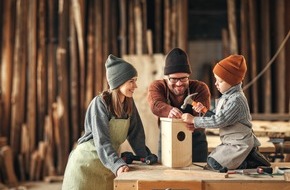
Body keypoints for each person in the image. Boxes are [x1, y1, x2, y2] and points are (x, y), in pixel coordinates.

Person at [62, 54, 152, 190]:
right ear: (119, 82)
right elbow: (102, 141)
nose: (136, 86)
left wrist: (146, 156)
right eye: (131, 81)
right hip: (86, 165)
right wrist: (117, 164)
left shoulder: (129, 103)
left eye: (135, 80)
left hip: (108, 165)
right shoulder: (100, 103)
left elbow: (136, 134)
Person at [181, 54, 271, 170]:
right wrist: (204, 110)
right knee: (210, 160)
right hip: (230, 141)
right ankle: (246, 158)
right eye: (216, 80)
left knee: (215, 164)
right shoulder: (226, 96)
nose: (216, 84)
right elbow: (219, 117)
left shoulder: (236, 100)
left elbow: (219, 121)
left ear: (232, 81)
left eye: (220, 81)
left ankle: (249, 160)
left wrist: (194, 120)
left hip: (239, 143)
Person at [147, 47, 211, 162]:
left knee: (199, 175)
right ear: (166, 77)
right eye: (174, 79)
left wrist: (197, 122)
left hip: (196, 142)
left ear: (188, 76)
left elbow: (204, 116)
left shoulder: (200, 88)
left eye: (183, 79)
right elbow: (155, 104)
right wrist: (169, 110)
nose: (179, 83)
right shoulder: (157, 86)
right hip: (168, 140)